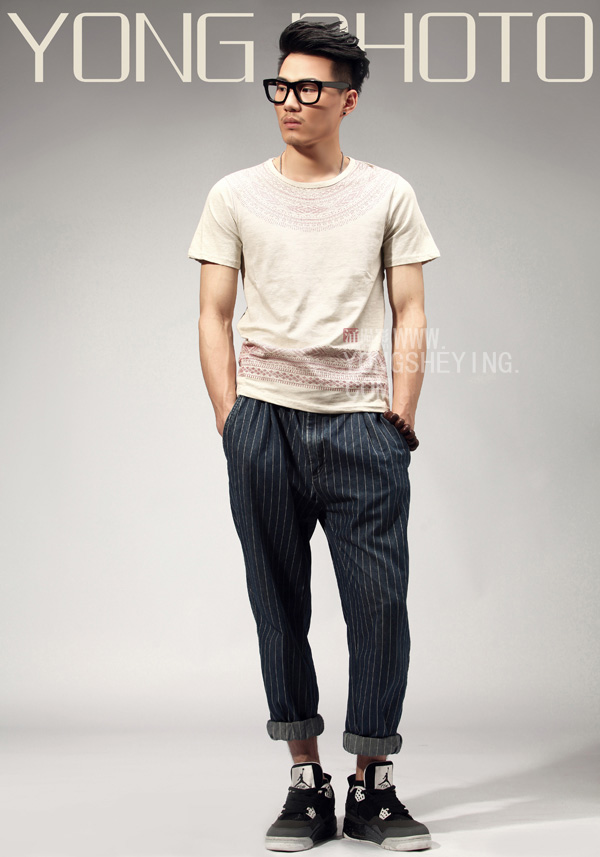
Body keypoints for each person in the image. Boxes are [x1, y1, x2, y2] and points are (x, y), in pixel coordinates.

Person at [188, 19, 440, 853]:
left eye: (309, 88)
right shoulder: (234, 194)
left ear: (348, 100)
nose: (290, 101)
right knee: (278, 602)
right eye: (282, 86)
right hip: (264, 421)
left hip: (363, 426)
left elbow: (410, 308)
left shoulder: (388, 193)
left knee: (380, 606)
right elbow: (213, 313)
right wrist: (232, 420)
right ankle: (306, 779)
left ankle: (373, 784)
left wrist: (403, 409)